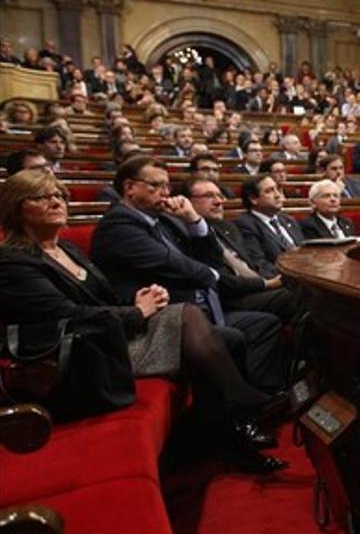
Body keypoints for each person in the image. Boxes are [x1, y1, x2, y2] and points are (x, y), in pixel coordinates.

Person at [0, 169, 286, 472]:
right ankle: (242, 410)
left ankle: (227, 433)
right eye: (42, 197)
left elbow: (105, 298)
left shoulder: (67, 249)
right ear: (16, 208)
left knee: (223, 336)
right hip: (77, 354)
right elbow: (66, 315)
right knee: (196, 322)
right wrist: (137, 312)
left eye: (59, 195)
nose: (56, 202)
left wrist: (141, 299)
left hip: (107, 335)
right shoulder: (12, 261)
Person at [89, 157, 287, 394]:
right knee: (232, 336)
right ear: (130, 187)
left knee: (264, 325)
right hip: (159, 319)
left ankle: (262, 391)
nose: (164, 192)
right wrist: (214, 276)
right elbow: (174, 264)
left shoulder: (164, 219)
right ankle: (243, 404)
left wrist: (194, 220)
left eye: (167, 186)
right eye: (155, 185)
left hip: (199, 305)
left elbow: (210, 257)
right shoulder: (118, 224)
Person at [183, 178, 298, 324]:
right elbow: (219, 279)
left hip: (255, 286)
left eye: (219, 196)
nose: (218, 202)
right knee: (292, 297)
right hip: (231, 298)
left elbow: (251, 262)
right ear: (187, 202)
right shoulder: (188, 235)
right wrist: (265, 284)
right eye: (208, 196)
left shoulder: (227, 227)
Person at [235, 175, 306, 278]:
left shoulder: (288, 220)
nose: (277, 195)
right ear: (253, 199)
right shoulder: (246, 224)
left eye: (277, 189)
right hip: (285, 281)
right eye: (269, 191)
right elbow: (259, 264)